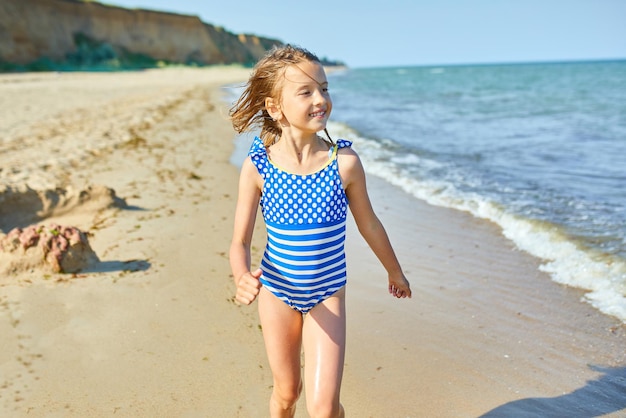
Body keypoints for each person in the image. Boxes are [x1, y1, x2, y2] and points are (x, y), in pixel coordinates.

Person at [229, 45, 411, 418]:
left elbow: (370, 223)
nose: (321, 100)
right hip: (278, 292)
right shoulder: (258, 168)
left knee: (325, 409)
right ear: (274, 107)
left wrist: (394, 270)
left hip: (327, 293)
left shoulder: (343, 164)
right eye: (306, 92)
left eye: (325, 89)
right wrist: (242, 275)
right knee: (286, 393)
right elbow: (240, 241)